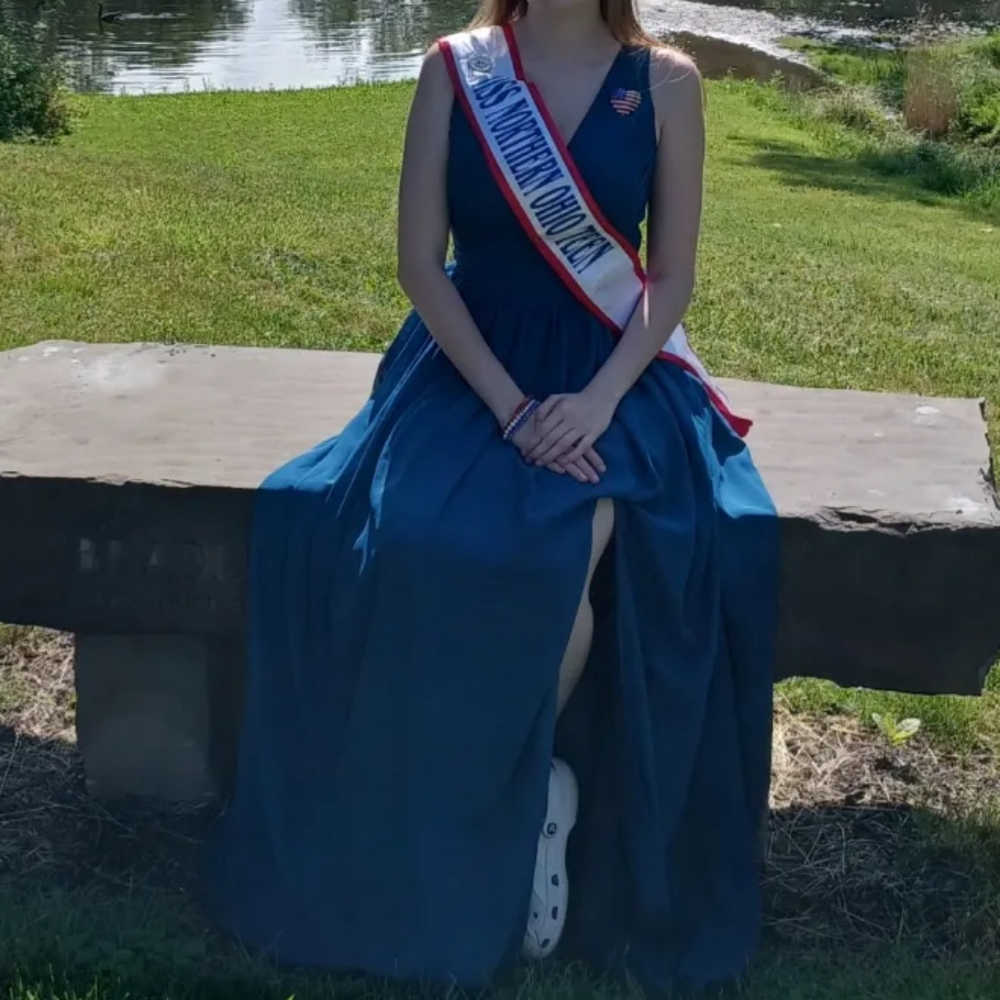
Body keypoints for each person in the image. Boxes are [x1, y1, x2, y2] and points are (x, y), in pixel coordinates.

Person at [203, 0, 779, 991]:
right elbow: (420, 267)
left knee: (573, 537)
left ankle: (520, 803)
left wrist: (597, 402)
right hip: (470, 371)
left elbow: (669, 279)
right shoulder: (454, 69)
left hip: (612, 377)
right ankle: (492, 805)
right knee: (413, 537)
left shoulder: (669, 83)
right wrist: (511, 408)